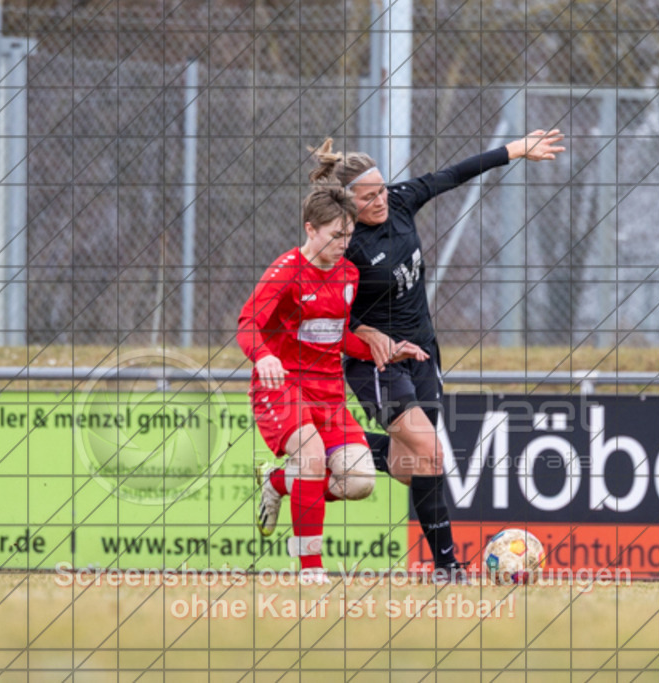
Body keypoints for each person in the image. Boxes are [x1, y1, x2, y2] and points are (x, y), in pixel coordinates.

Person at [307, 131, 566, 578]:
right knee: (432, 452)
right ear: (348, 204)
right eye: (368, 197)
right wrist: (364, 331)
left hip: (424, 353)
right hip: (377, 365)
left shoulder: (402, 202)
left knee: (413, 467)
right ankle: (448, 567)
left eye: (381, 189)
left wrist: (516, 150)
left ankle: (321, 453)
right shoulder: (346, 246)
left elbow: (454, 174)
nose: (380, 200)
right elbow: (321, 310)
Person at [237, 184, 427, 583]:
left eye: (348, 234)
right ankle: (310, 570)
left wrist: (384, 350)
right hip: (282, 386)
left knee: (358, 481)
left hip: (328, 392)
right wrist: (264, 355)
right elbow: (247, 324)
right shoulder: (286, 272)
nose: (344, 243)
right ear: (310, 229)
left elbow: (336, 335)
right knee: (309, 456)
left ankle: (277, 481)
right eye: (335, 235)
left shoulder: (349, 274)